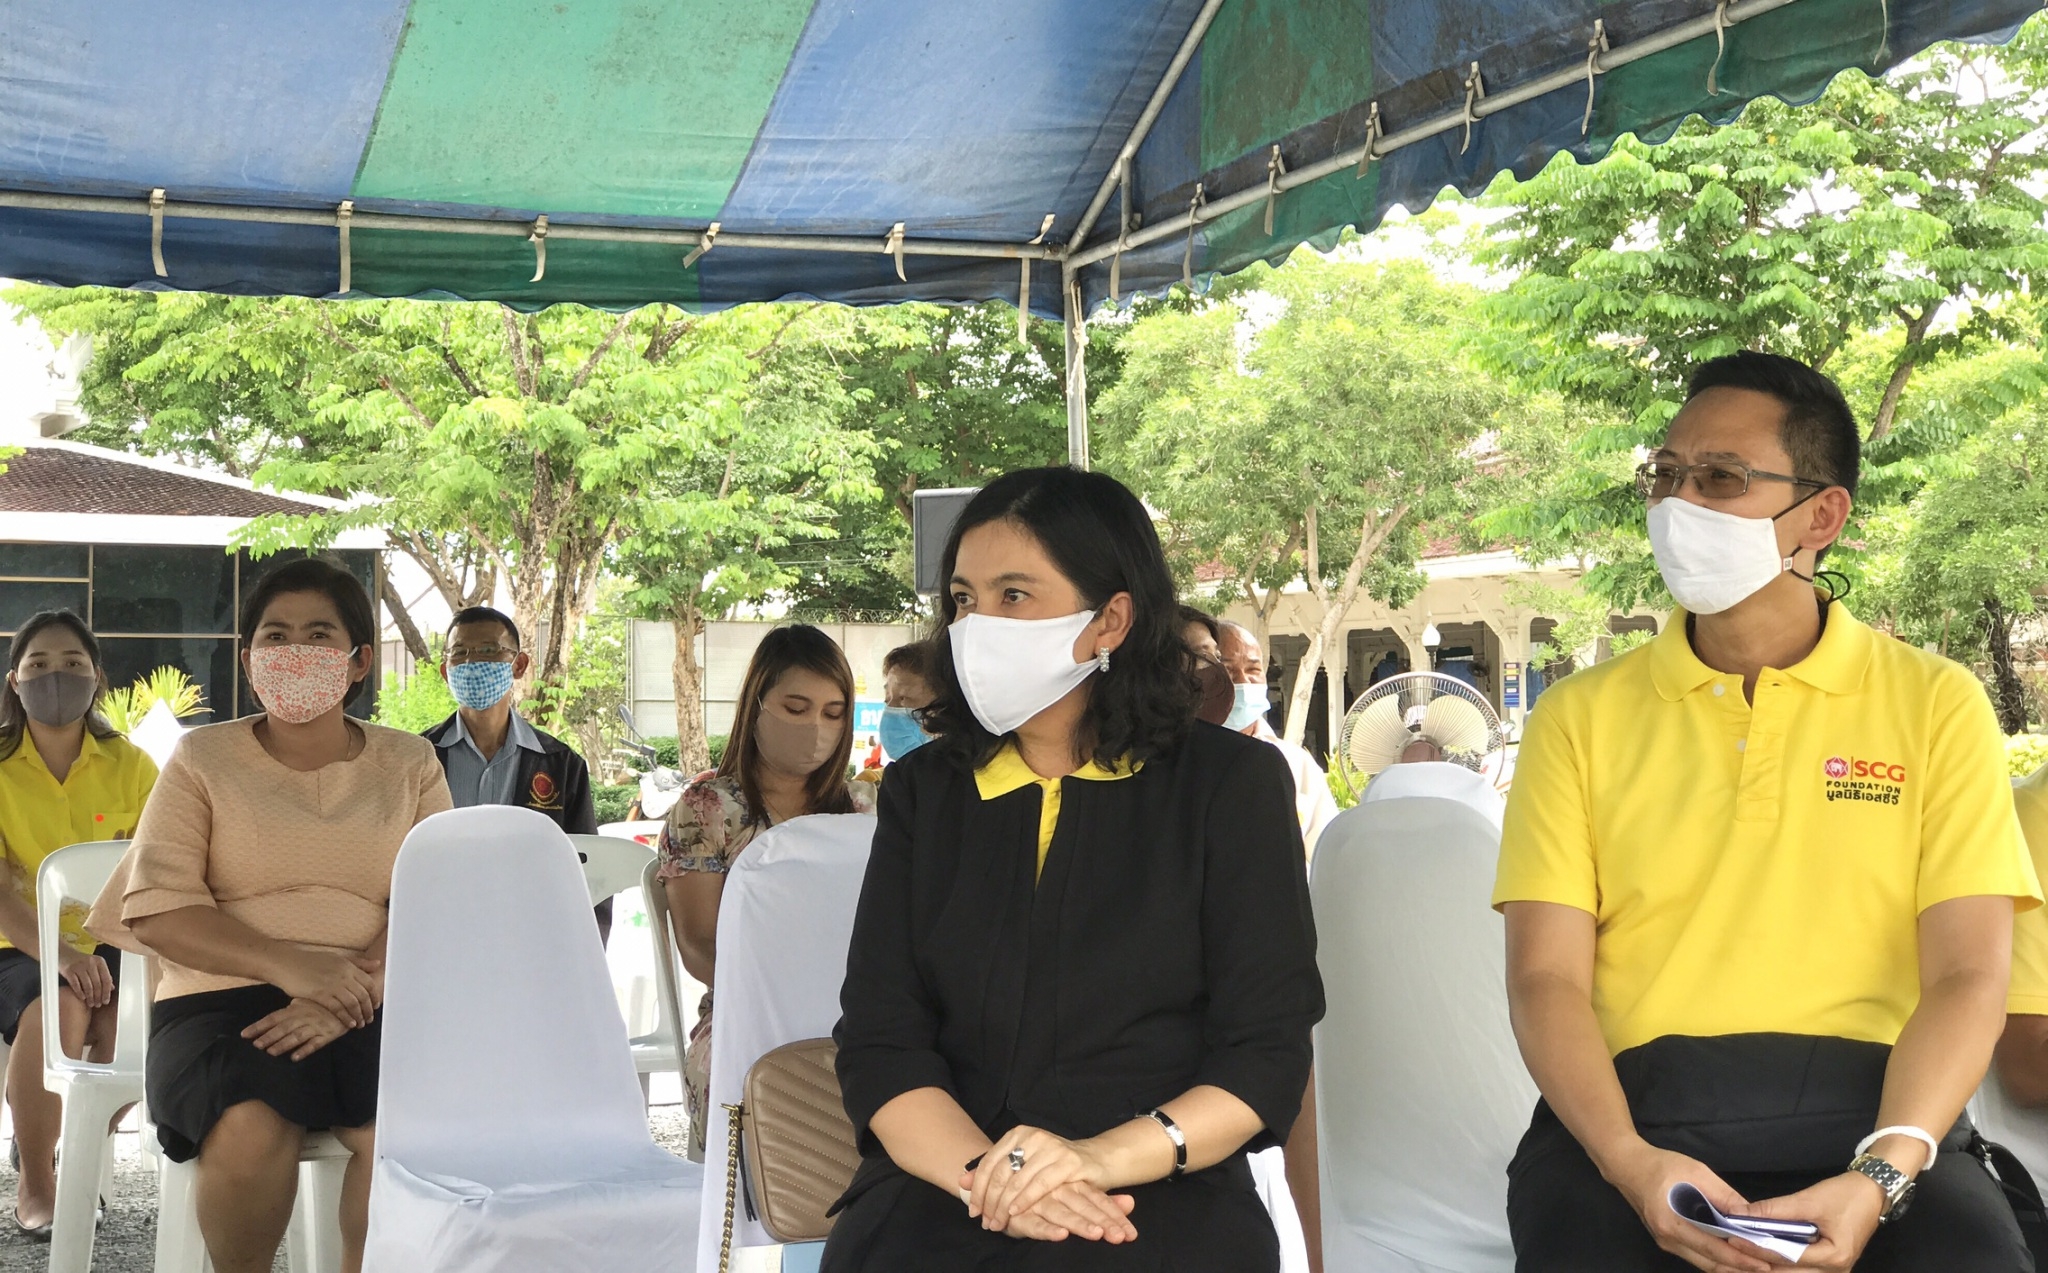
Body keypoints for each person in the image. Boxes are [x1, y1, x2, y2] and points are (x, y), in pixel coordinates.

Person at [1495, 350, 2038, 1273]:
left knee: (1973, 1251)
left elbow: (1968, 975)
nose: (1678, 504)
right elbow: (1545, 978)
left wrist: (1882, 1173)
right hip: (1633, 1123)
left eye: (1720, 478)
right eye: (1664, 475)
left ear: (1821, 515)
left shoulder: (1936, 704)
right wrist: (1629, 1161)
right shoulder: (1577, 717)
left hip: (1877, 1116)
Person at [825, 466, 1324, 1273]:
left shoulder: (1229, 785)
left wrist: (1093, 1161)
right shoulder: (925, 792)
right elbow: (882, 1041)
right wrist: (996, 1180)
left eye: (1013, 594)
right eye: (963, 598)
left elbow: (1264, 1050)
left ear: (1110, 620)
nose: (976, 624)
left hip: (1156, 1188)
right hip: (947, 1188)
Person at [87, 557, 452, 1273]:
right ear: (249, 659)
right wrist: (293, 967)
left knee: (409, 1134)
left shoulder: (411, 764)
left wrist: (349, 994)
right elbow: (160, 913)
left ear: (359, 660)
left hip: (376, 996)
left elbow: (439, 903)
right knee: (251, 1121)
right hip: (218, 1004)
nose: (295, 652)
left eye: (319, 635)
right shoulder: (201, 759)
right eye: (275, 636)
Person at [658, 624, 875, 1159]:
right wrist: (787, 998)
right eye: (796, 708)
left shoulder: (866, 809)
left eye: (834, 713)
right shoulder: (707, 809)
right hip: (745, 1018)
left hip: (862, 1016)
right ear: (756, 706)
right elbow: (700, 948)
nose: (816, 728)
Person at [0, 611, 156, 1238]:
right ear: (15, 681)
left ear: (97, 677)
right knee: (59, 1009)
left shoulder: (133, 766)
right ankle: (37, 1185)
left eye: (72, 663)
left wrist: (106, 951)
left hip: (116, 937)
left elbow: (156, 870)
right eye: (38, 665)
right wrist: (63, 958)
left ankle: (70, 1143)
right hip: (17, 944)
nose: (55, 676)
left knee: (137, 1025)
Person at [420, 606, 606, 940]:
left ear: (518, 665)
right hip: (436, 933)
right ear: (446, 671)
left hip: (531, 939)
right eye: (459, 653)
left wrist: (585, 956)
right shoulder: (418, 757)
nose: (472, 662)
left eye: (488, 650)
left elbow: (590, 874)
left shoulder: (561, 765)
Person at [1217, 621, 1338, 854]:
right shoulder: (1182, 763)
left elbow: (1328, 854)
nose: (1243, 681)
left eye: (1253, 670)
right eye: (1228, 670)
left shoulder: (1296, 763)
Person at [858, 641, 939, 784]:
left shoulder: (969, 789)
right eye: (887, 699)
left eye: (904, 698)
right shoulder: (871, 786)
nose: (890, 709)